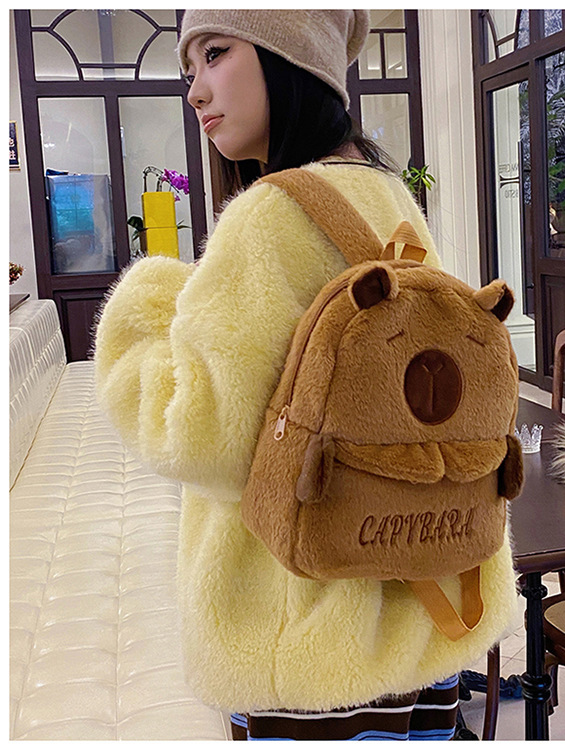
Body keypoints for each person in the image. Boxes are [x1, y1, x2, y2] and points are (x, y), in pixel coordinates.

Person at [94, 9, 519, 741]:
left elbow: (198, 438)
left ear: (293, 60)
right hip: (427, 603)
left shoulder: (266, 217)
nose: (195, 90)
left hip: (307, 638)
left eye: (216, 53)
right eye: (189, 68)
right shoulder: (389, 194)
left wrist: (146, 306)